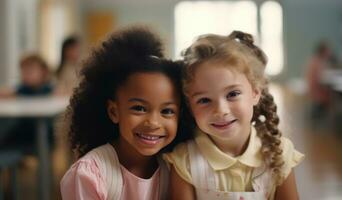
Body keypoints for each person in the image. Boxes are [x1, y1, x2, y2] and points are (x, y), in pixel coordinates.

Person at [164, 31, 304, 200]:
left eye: (232, 94)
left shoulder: (279, 153)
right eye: (204, 100)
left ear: (255, 92)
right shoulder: (184, 160)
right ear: (190, 106)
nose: (221, 110)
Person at [60, 26, 191, 200]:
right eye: (139, 108)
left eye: (167, 111)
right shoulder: (89, 175)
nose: (153, 122)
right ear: (114, 112)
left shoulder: (176, 170)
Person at [305, 41, 333, 119]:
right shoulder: (318, 62)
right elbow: (320, 79)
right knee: (331, 95)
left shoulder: (314, 60)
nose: (329, 53)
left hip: (313, 89)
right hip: (317, 91)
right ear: (323, 51)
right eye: (328, 51)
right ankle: (330, 119)